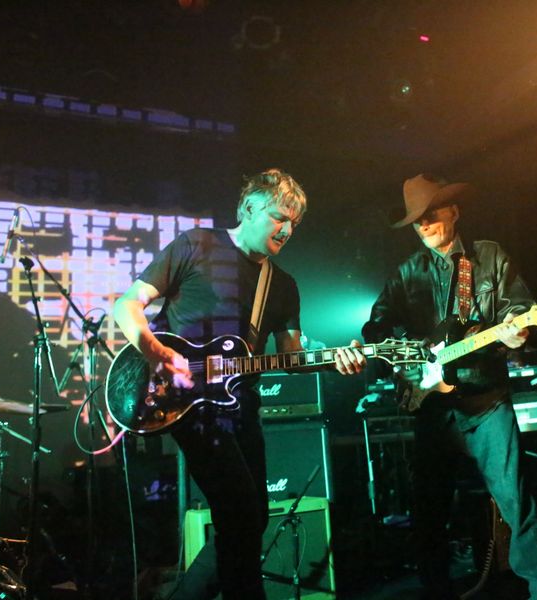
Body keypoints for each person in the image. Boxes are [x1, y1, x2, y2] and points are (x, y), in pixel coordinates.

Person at [113, 169, 366, 599]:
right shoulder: (196, 245)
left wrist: (333, 360)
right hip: (182, 401)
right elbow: (127, 304)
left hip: (242, 406)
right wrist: (155, 351)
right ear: (249, 208)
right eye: (278, 217)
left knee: (251, 518)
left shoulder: (282, 285)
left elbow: (292, 355)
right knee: (241, 513)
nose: (286, 230)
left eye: (293, 223)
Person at [361, 174, 537, 600]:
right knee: (430, 510)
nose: (423, 225)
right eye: (416, 220)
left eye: (430, 214)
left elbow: (518, 307)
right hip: (434, 407)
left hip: (486, 400)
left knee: (515, 501)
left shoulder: (488, 257)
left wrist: (518, 329)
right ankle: (437, 591)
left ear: (454, 211)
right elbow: (376, 326)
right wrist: (414, 356)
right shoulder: (407, 273)